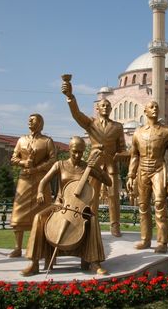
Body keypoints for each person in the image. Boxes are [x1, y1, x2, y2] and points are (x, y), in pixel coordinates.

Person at [21, 137, 111, 276]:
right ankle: (34, 263)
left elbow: (108, 182)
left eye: (81, 152)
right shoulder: (60, 164)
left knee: (92, 220)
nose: (77, 155)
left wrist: (97, 168)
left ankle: (94, 262)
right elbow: (44, 181)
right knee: (38, 217)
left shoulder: (87, 167)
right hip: (60, 205)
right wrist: (40, 192)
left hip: (79, 209)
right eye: (75, 151)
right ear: (69, 149)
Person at [62, 75, 128, 237]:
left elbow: (122, 148)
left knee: (113, 197)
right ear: (97, 109)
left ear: (111, 109)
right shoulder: (91, 123)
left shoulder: (118, 127)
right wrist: (70, 97)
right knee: (91, 196)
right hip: (93, 165)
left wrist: (126, 154)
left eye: (108, 105)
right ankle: (90, 222)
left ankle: (115, 226)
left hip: (111, 166)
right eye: (102, 105)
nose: (105, 107)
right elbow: (76, 114)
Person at [126, 101, 168, 254]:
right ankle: (145, 239)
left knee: (160, 205)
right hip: (142, 170)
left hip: (158, 169)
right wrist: (130, 175)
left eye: (157, 106)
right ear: (145, 111)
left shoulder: (166, 131)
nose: (155, 108)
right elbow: (134, 155)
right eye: (151, 107)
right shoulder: (138, 132)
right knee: (143, 207)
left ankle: (162, 242)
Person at [8, 114, 57, 258]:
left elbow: (53, 159)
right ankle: (17, 247)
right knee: (19, 210)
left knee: (42, 211)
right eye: (28, 119)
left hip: (41, 181)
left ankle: (41, 246)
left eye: (33, 119)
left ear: (40, 123)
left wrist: (37, 168)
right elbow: (13, 158)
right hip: (24, 180)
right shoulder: (21, 140)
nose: (29, 121)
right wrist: (23, 163)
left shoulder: (47, 141)